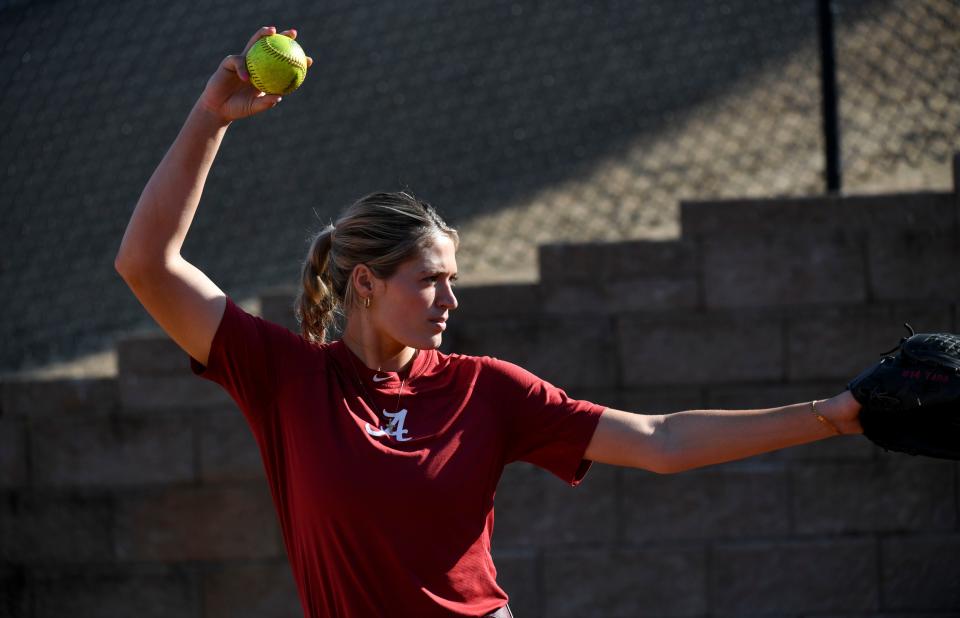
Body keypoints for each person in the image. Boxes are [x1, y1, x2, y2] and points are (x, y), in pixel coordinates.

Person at [115, 26, 863, 618]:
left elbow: (661, 440)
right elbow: (146, 263)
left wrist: (829, 417)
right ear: (367, 285)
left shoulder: (488, 391)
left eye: (454, 280)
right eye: (431, 280)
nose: (451, 300)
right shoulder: (286, 377)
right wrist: (211, 118)